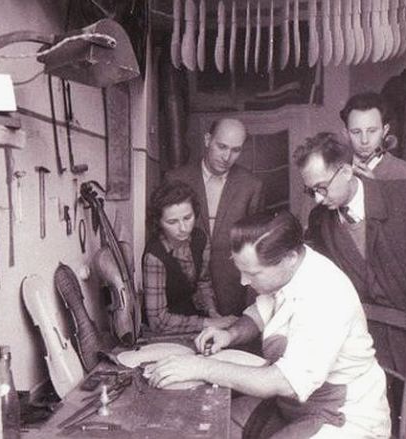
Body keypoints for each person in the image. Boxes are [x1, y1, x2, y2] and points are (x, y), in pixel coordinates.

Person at [145, 211, 391, 439]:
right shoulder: (288, 270)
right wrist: (230, 335)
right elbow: (260, 313)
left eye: (253, 274)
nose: (244, 281)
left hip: (343, 415)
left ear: (290, 258)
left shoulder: (324, 294)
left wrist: (201, 367)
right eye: (242, 271)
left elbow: (284, 382)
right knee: (208, 426)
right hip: (294, 404)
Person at [295, 133, 406, 439]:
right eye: (310, 191)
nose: (318, 199)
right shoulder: (320, 220)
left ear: (346, 171)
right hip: (363, 352)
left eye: (322, 188)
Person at [165, 118, 265, 316]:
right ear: (207, 140)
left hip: (231, 289)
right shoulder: (175, 179)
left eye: (236, 150)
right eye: (222, 147)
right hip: (184, 285)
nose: (227, 157)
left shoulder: (252, 186)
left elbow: (256, 246)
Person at [142, 180, 238, 334]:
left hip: (193, 318)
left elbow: (203, 282)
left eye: (187, 218)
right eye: (172, 222)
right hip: (164, 329)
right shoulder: (154, 256)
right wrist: (208, 322)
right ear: (158, 222)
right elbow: (158, 322)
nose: (183, 228)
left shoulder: (201, 239)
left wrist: (213, 313)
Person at [340, 91, 406, 180]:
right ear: (346, 134)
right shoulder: (334, 172)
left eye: (372, 131)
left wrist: (376, 186)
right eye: (356, 132)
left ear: (385, 131)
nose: (364, 140)